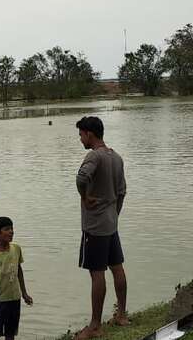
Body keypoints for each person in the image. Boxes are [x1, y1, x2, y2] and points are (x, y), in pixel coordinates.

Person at [72, 116, 128, 340]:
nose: (80, 139)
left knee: (97, 274)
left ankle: (95, 325)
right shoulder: (116, 157)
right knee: (117, 267)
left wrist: (84, 197)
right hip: (110, 223)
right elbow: (122, 191)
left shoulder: (94, 155)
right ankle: (121, 315)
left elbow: (81, 177)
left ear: (89, 134)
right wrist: (114, 214)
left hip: (94, 226)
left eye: (81, 135)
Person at [0, 217, 33, 340]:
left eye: (12, 228)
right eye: (7, 229)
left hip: (14, 298)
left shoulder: (16, 248)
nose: (11, 231)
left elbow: (19, 271)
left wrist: (24, 293)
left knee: (10, 332)